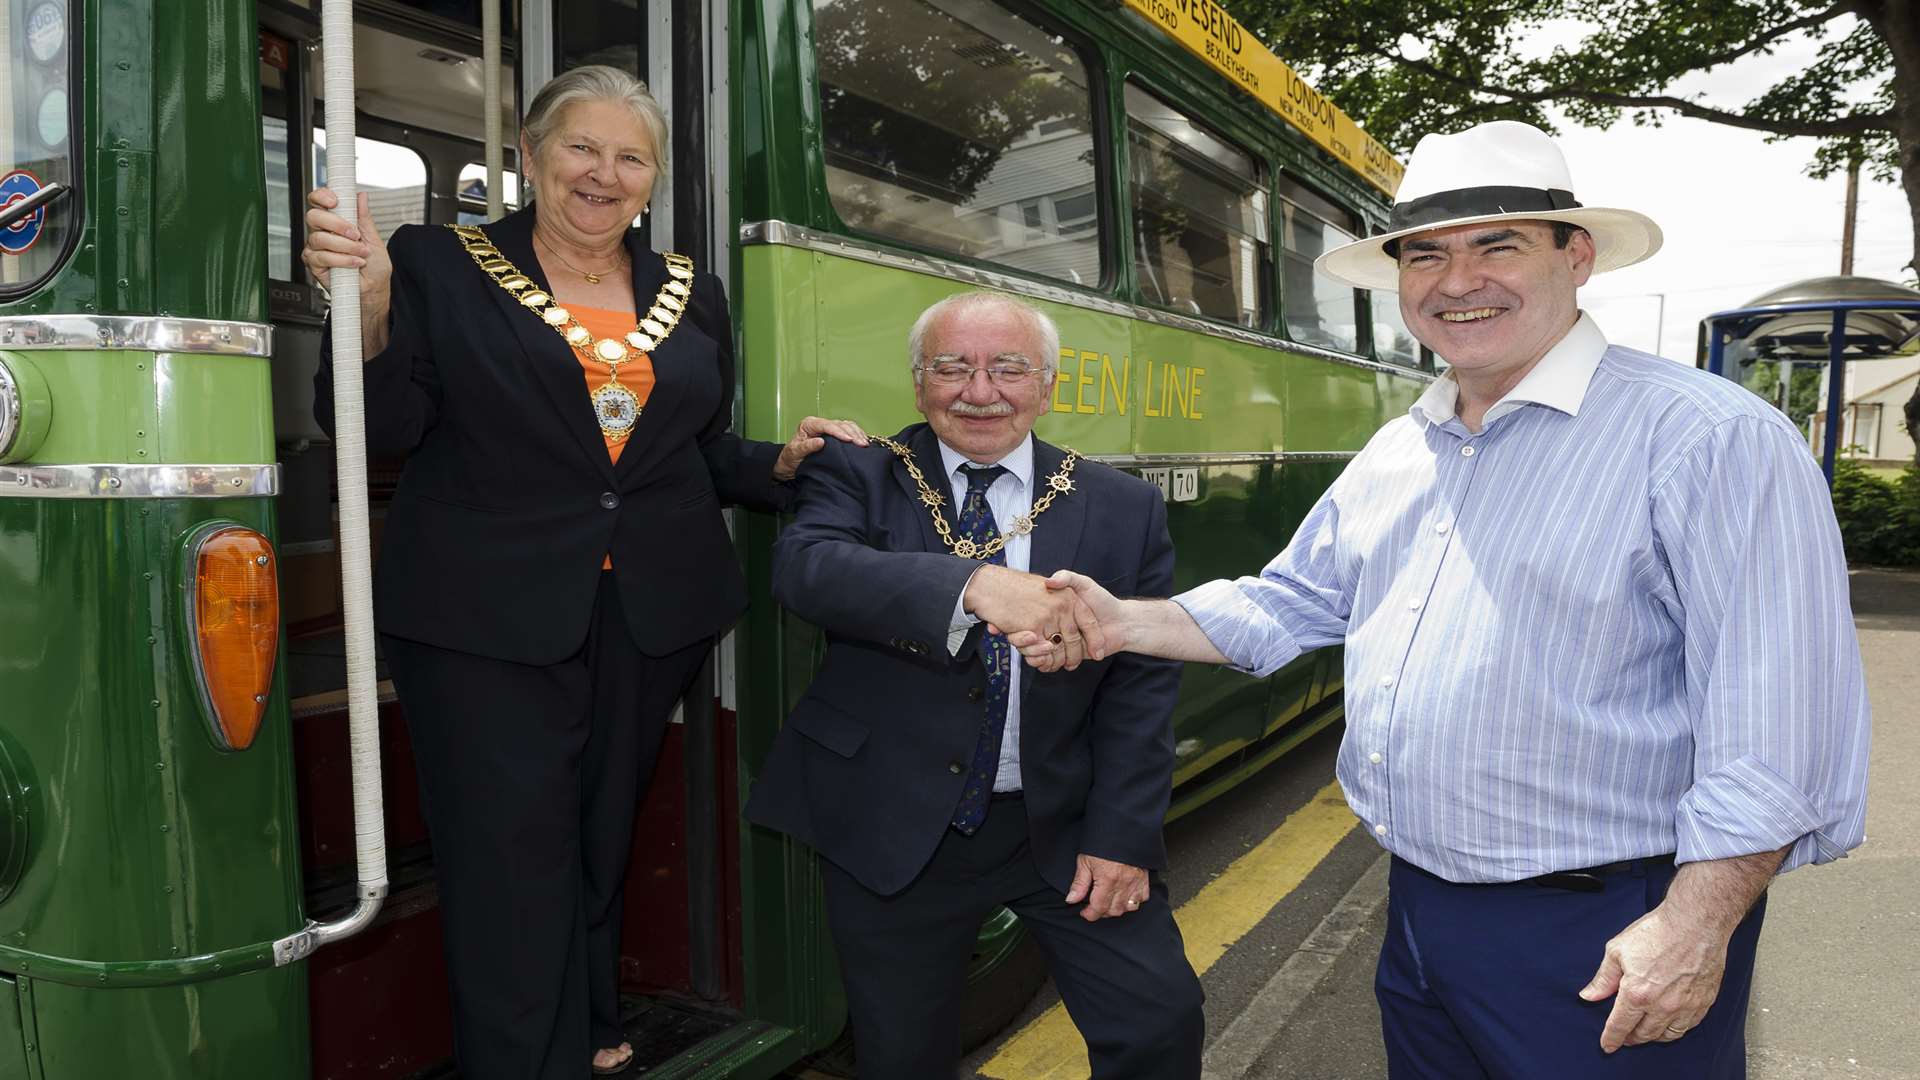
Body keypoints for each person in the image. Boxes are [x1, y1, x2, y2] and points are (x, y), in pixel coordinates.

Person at [1015, 121, 1871, 1078]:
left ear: (1576, 255)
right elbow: (1292, 601)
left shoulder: (1708, 440)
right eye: (1426, 255)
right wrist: (1118, 619)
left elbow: (1780, 724)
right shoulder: (1402, 446)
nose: (1457, 283)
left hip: (1609, 933)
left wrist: (1693, 928)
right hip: (1420, 915)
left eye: (1497, 245)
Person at [303, 65, 866, 1079]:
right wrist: (374, 309)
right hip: (482, 614)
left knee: (600, 833)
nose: (602, 174)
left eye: (629, 156)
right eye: (580, 147)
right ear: (529, 155)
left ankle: (594, 1014)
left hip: (650, 607)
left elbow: (688, 449)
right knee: (508, 859)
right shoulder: (436, 263)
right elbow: (377, 429)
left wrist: (776, 465)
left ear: (651, 178)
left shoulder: (693, 291)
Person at [745, 292, 1205, 1078]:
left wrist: (1122, 836)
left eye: (1008, 368)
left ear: (1049, 385)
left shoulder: (1121, 505)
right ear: (919, 384)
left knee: (1157, 1024)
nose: (980, 390)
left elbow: (1140, 689)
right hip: (892, 820)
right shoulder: (859, 474)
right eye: (952, 367)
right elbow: (806, 569)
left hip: (1062, 823)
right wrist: (974, 588)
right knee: (902, 1055)